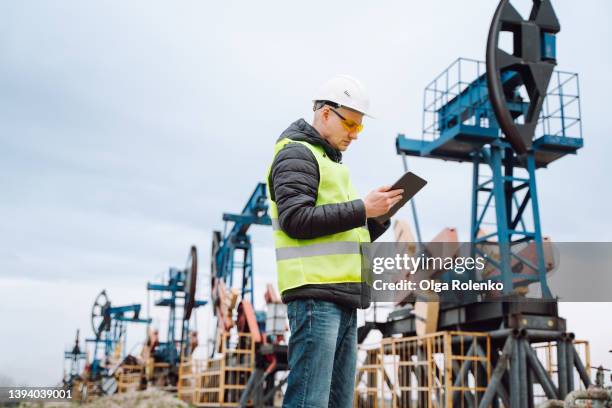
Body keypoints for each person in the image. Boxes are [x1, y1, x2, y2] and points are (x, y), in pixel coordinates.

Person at [267, 75, 403, 408]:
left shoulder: (329, 164)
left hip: (341, 296)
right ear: (325, 113)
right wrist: (361, 208)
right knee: (309, 401)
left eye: (360, 129)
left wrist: (377, 216)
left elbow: (347, 232)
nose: (355, 135)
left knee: (335, 402)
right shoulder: (297, 154)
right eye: (351, 125)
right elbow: (296, 220)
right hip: (315, 295)